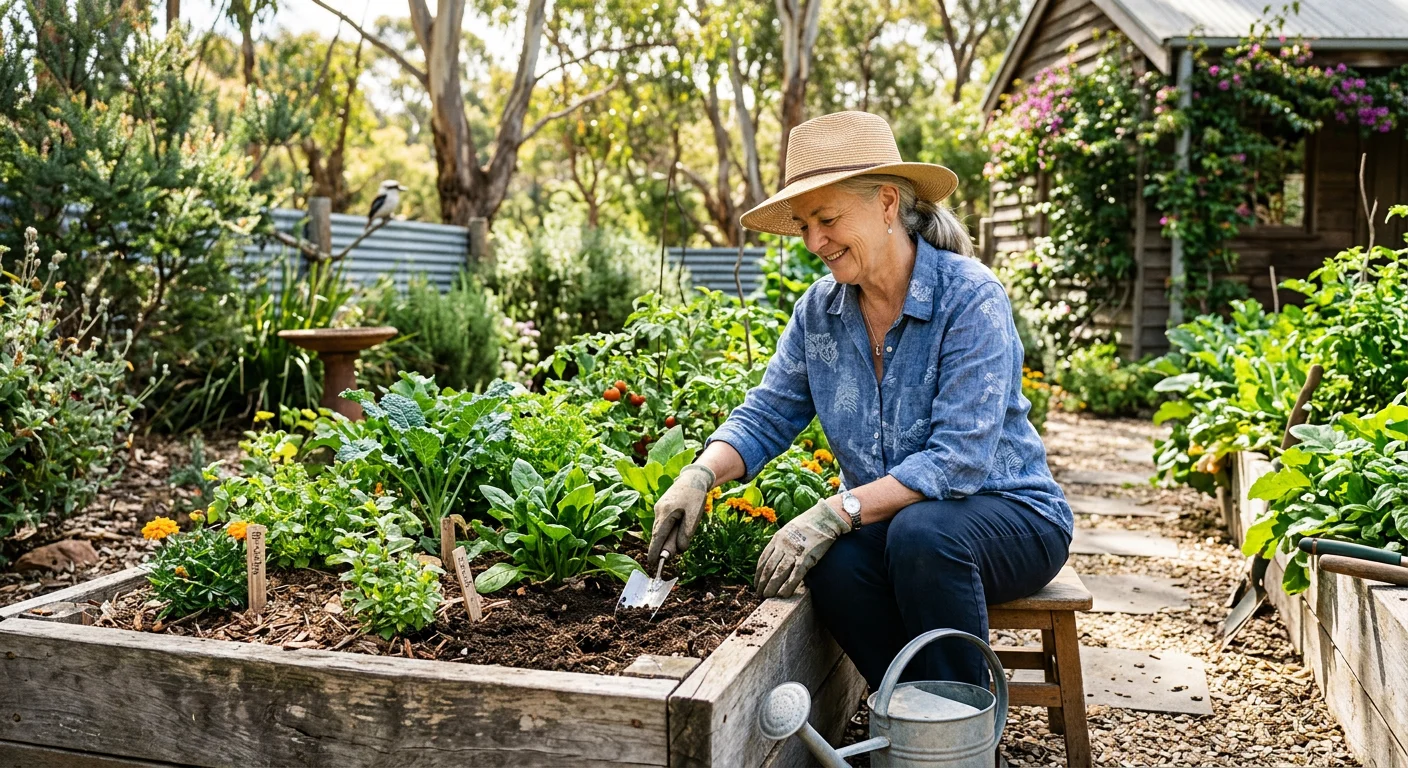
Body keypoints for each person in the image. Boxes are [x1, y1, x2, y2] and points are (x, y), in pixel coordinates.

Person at [645, 111, 1072, 690]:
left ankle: (959, 733)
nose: (815, 242)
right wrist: (698, 476)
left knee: (924, 534)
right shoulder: (820, 312)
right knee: (834, 565)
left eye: (827, 219)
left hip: (1012, 517)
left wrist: (836, 511)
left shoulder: (970, 297)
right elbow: (769, 414)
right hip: (900, 526)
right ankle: (912, 710)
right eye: (803, 225)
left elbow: (958, 460)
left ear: (888, 203)